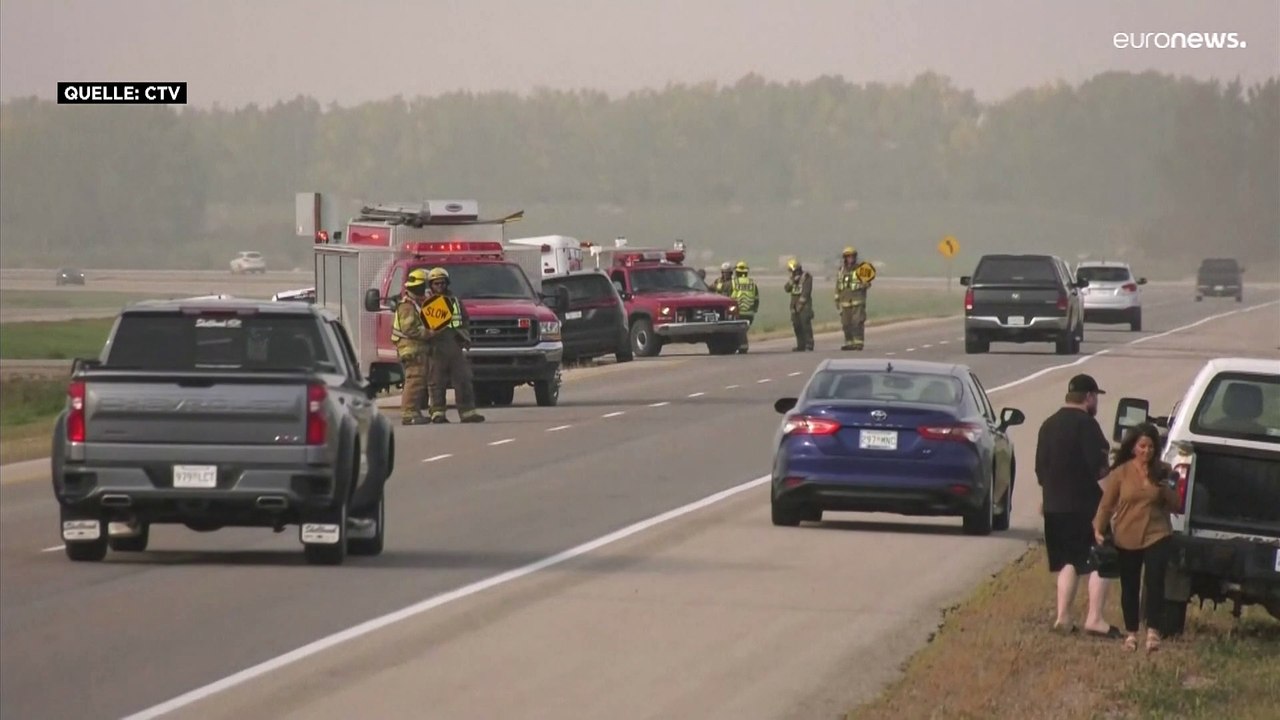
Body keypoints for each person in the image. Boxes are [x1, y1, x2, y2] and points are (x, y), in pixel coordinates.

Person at [1035, 373, 1120, 638]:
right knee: (1102, 558)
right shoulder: (1087, 426)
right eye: (1096, 398)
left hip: (1054, 506)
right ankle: (1094, 618)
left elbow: (1041, 470)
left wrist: (1048, 495)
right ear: (1089, 397)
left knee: (1067, 561)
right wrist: (1114, 503)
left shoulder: (1047, 425)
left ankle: (1063, 617)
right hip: (1085, 508)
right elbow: (1100, 470)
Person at [1093, 422, 1181, 652]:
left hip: (1156, 533)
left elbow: (1176, 504)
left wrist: (1165, 487)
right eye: (1142, 446)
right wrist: (1098, 529)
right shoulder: (1120, 473)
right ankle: (1131, 633)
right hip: (1127, 535)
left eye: (1151, 447)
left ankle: (1153, 632)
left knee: (1155, 582)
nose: (1146, 451)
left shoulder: (1164, 470)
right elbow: (1107, 505)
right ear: (1133, 448)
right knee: (1130, 586)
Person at [422, 267, 485, 424]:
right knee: (436, 382)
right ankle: (437, 413)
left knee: (463, 379)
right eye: (436, 284)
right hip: (436, 346)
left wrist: (465, 337)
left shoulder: (455, 301)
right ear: (431, 285)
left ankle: (468, 413)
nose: (440, 286)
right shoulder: (426, 303)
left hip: (455, 345)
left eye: (443, 283)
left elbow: (464, 320)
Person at [391, 268, 432, 425]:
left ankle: (414, 412)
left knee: (418, 382)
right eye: (424, 286)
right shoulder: (407, 306)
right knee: (414, 381)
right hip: (411, 349)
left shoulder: (414, 304)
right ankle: (409, 414)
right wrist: (429, 333)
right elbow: (410, 329)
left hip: (416, 349)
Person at [834, 246, 872, 350]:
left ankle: (858, 343)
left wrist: (861, 285)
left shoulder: (862, 269)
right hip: (845, 301)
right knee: (846, 324)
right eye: (847, 257)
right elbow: (838, 285)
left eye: (851, 256)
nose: (850, 258)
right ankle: (849, 342)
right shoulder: (841, 270)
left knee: (857, 322)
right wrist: (837, 299)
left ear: (855, 257)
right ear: (845, 258)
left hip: (857, 301)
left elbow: (868, 284)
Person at [784, 258, 814, 351]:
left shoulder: (806, 277)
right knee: (797, 326)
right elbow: (786, 289)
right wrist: (793, 281)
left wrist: (800, 305)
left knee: (805, 325)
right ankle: (800, 345)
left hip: (804, 307)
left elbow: (806, 292)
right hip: (794, 306)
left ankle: (809, 344)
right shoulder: (792, 279)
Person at [730, 261, 759, 353]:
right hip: (750, 314)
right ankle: (742, 347)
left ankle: (742, 347)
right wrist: (754, 310)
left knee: (737, 331)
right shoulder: (752, 284)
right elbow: (756, 299)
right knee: (742, 331)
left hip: (737, 312)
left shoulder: (733, 283)